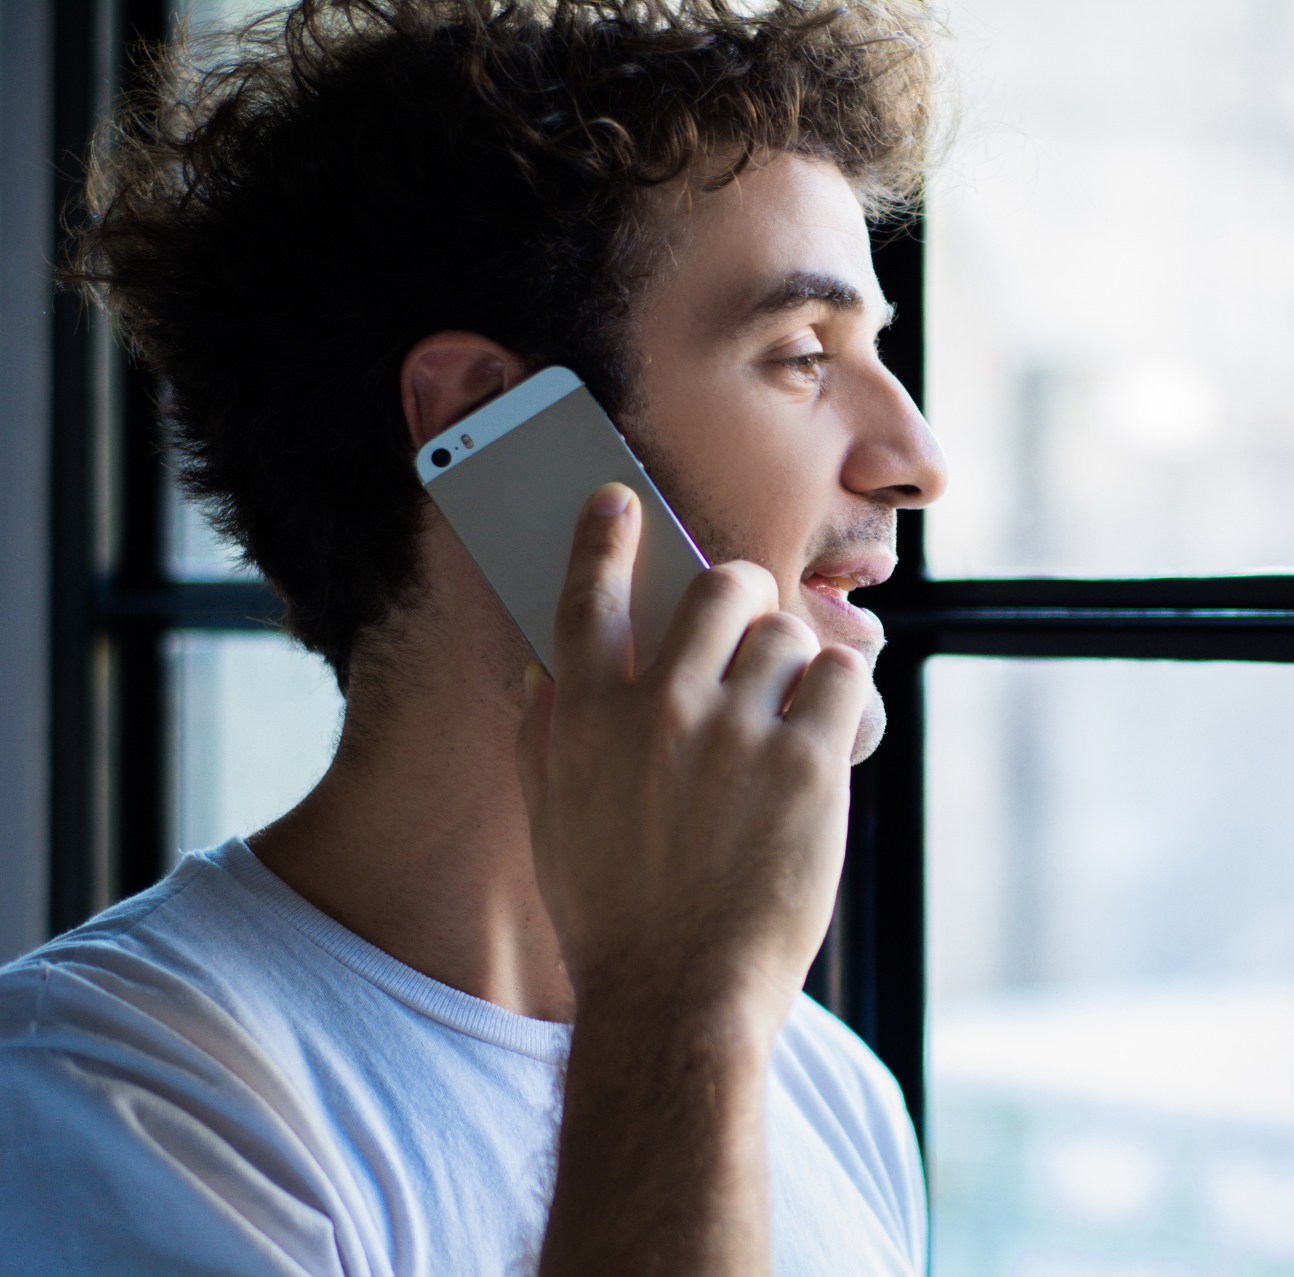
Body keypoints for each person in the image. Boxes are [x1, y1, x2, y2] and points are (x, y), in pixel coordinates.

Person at [0, 2, 948, 1273]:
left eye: (873, 349)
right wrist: (678, 998)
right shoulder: (106, 1102)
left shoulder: (833, 1093)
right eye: (799, 353)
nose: (917, 461)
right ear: (492, 423)